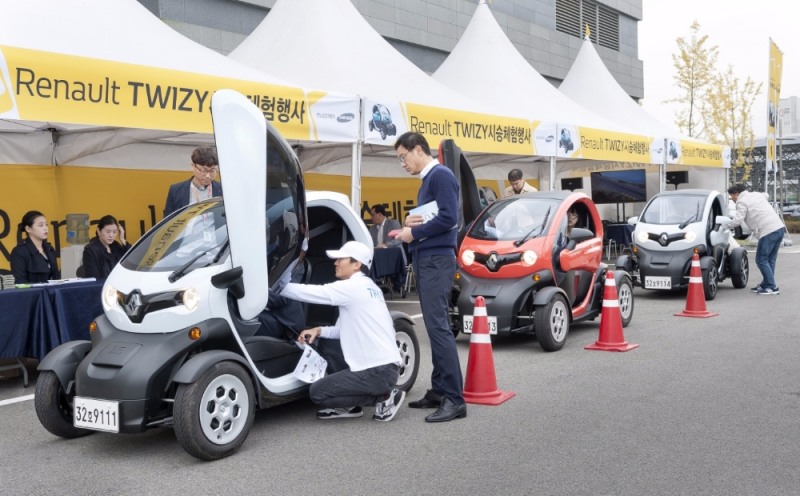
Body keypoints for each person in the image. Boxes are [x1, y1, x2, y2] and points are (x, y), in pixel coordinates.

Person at [279, 241, 406, 422]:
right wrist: (319, 330)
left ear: (356, 265)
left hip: (378, 371)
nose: (335, 263)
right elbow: (345, 330)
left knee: (317, 393)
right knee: (328, 343)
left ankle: (385, 397)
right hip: (385, 368)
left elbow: (314, 293)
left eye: (341, 259)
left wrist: (279, 284)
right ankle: (353, 405)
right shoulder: (370, 287)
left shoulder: (353, 287)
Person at [394, 131, 466, 423]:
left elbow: (450, 218)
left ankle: (454, 398)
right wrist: (411, 223)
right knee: (435, 328)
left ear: (418, 150)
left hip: (437, 259)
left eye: (403, 156)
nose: (402, 163)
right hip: (427, 258)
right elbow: (436, 217)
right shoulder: (430, 180)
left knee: (438, 327)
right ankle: (439, 390)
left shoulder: (440, 176)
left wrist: (415, 232)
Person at [726, 184, 786, 295]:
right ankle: (767, 284)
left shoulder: (741, 202)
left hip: (768, 231)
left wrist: (725, 226)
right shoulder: (756, 195)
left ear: (736, 194)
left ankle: (772, 287)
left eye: (732, 196)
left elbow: (738, 220)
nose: (732, 199)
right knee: (770, 260)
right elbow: (766, 195)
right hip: (779, 228)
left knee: (761, 259)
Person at [163, 146, 222, 217]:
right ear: (193, 166)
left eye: (212, 170)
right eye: (203, 170)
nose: (208, 176)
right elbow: (168, 219)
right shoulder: (176, 190)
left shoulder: (223, 190)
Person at [10, 210, 60, 284]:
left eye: (46, 225)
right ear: (28, 229)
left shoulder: (49, 249)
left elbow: (57, 278)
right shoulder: (19, 252)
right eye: (40, 225)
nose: (45, 228)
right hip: (33, 294)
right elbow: (20, 282)